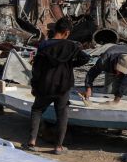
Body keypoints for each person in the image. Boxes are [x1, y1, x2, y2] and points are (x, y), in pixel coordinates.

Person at [24, 18, 90, 154]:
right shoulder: (71, 46)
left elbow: (37, 68)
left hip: (45, 85)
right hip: (63, 87)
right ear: (67, 32)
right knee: (62, 115)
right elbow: (85, 58)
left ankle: (31, 142)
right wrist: (70, 64)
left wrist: (34, 85)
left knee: (37, 110)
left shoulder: (43, 45)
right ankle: (58, 147)